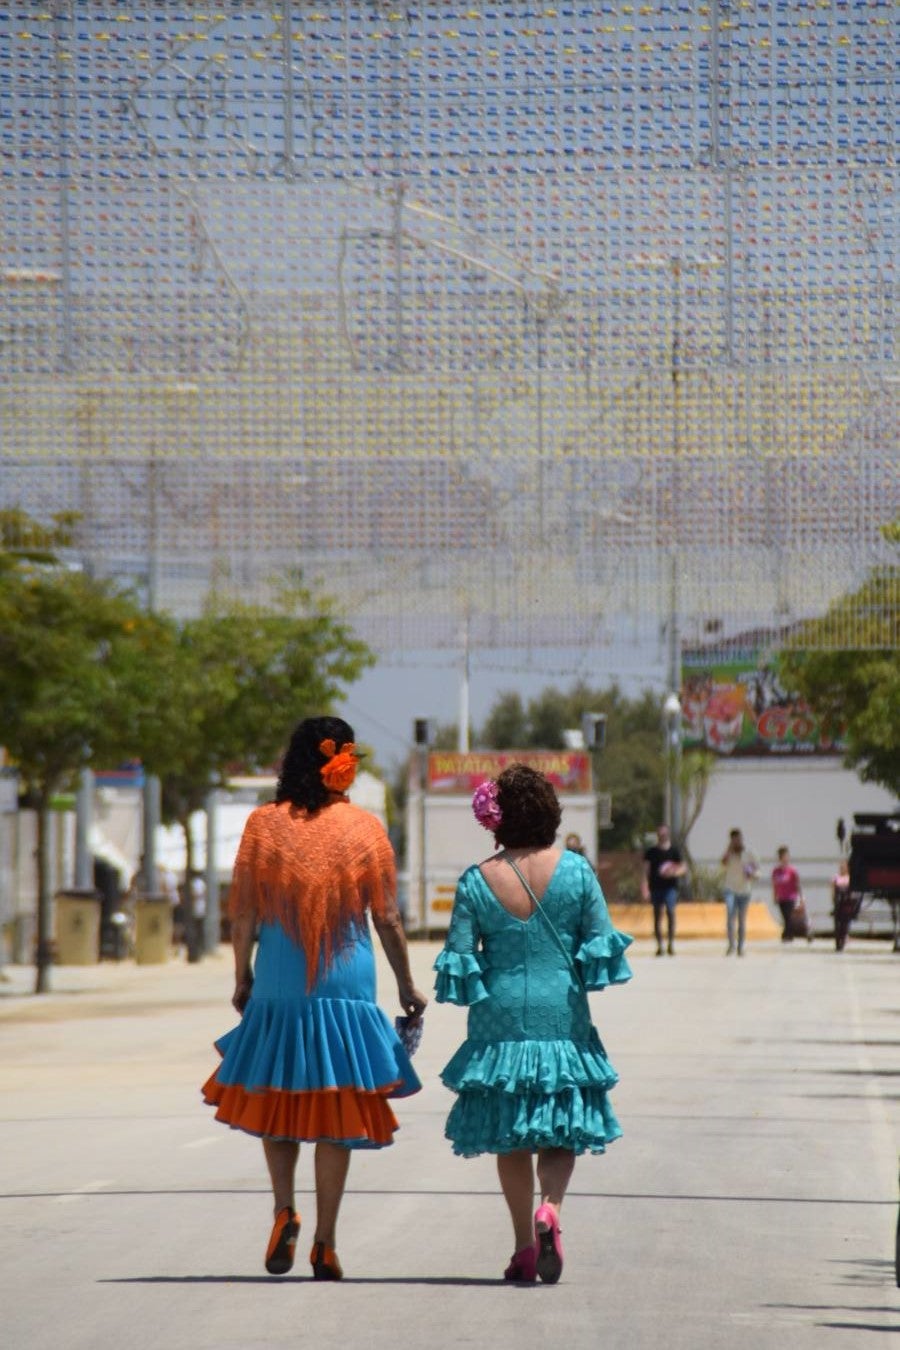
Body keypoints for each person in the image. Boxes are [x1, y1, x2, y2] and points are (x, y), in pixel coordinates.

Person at [202, 717, 427, 1279]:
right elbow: (389, 918)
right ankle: (325, 1242)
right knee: (334, 1109)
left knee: (278, 1094)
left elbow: (245, 912)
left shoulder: (263, 826)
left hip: (279, 978)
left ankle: (283, 1211)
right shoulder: (366, 829)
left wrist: (241, 975)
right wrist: (405, 984)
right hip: (346, 983)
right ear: (342, 764)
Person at [434, 765, 633, 1285]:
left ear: (497, 819)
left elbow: (458, 955)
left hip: (498, 1020)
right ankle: (553, 1209)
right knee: (561, 1125)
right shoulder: (577, 872)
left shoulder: (477, 880)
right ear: (549, 811)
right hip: (561, 1014)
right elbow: (600, 945)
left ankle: (524, 1245)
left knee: (512, 1136)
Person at [641, 823, 687, 956]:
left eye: (664, 833)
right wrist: (645, 887)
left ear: (668, 834)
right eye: (660, 834)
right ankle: (659, 946)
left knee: (670, 912)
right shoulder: (651, 852)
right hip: (655, 888)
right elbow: (645, 871)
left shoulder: (674, 851)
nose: (662, 836)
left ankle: (670, 944)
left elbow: (683, 868)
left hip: (670, 888)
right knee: (657, 916)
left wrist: (673, 873)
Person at [721, 828, 758, 956]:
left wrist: (751, 873)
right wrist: (729, 850)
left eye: (739, 839)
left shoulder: (749, 852)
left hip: (744, 890)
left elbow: (756, 867)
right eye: (734, 840)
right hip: (730, 888)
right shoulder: (729, 853)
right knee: (730, 915)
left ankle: (740, 947)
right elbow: (723, 863)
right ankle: (731, 945)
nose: (737, 842)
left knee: (741, 919)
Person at [771, 846, 801, 943]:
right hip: (781, 897)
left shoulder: (792, 871)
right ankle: (787, 934)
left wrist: (800, 898)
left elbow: (797, 885)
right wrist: (775, 896)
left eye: (786, 856)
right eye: (783, 856)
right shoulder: (776, 871)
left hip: (791, 897)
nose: (785, 858)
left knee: (789, 916)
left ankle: (787, 935)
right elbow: (775, 885)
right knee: (784, 917)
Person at [832, 858, 855, 951]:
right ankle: (838, 943)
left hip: (847, 904)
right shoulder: (836, 878)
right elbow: (833, 891)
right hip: (838, 903)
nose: (842, 868)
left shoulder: (850, 878)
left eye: (844, 866)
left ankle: (843, 940)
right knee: (837, 924)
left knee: (844, 924)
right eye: (841, 866)